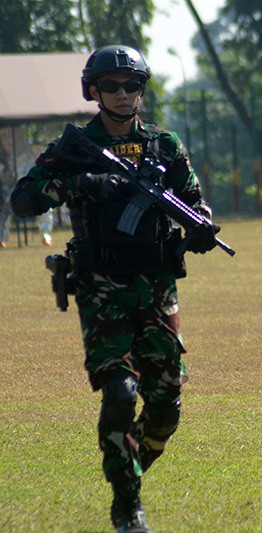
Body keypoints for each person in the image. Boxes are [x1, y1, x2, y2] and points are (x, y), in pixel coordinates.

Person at [10, 45, 219, 532]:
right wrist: (82, 185)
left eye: (131, 85)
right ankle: (127, 501)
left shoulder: (164, 145)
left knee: (166, 404)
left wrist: (203, 225)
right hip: (102, 287)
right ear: (94, 91)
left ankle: (129, 468)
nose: (123, 95)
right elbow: (23, 200)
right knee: (121, 393)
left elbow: (193, 201)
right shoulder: (72, 148)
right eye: (111, 86)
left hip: (157, 286)